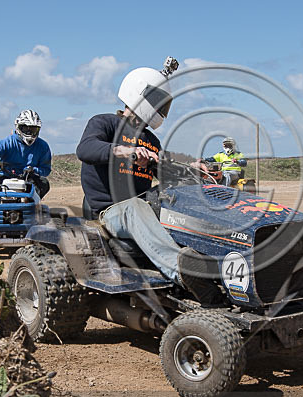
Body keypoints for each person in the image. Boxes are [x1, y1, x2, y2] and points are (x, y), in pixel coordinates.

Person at [76, 58, 221, 304]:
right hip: (110, 210)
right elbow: (86, 149)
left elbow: (164, 176)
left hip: (142, 203)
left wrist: (193, 172)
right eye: (156, 102)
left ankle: (218, 261)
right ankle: (183, 272)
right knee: (135, 207)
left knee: (182, 197)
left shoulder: (151, 140)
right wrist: (125, 151)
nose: (160, 109)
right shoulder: (105, 123)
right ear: (137, 95)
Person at [0, 109, 52, 217]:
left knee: (43, 183)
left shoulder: (42, 146)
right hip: (4, 176)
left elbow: (46, 169)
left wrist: (34, 170)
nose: (29, 133)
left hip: (28, 177)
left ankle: (32, 211)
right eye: (26, 129)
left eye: (33, 130)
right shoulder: (8, 142)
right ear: (18, 127)